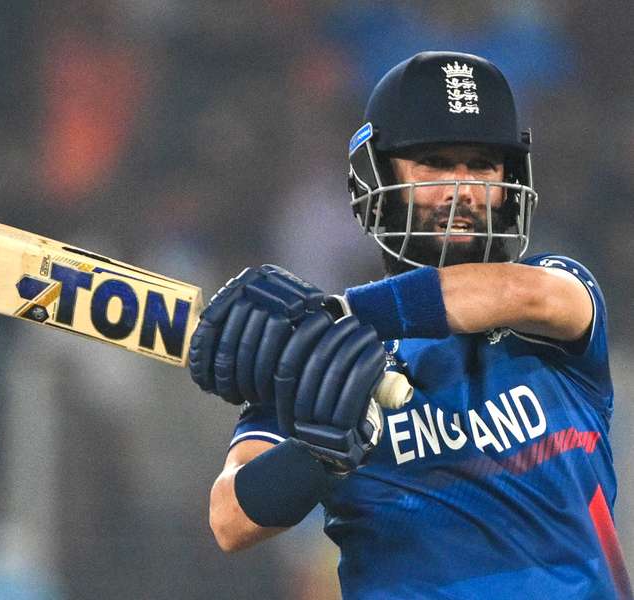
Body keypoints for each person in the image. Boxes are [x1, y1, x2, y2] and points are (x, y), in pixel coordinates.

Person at [189, 51, 631, 599]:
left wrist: (339, 317)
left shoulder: (552, 293)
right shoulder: (318, 365)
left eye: (484, 166)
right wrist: (319, 455)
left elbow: (525, 293)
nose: (462, 190)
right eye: (436, 163)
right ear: (374, 180)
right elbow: (230, 519)